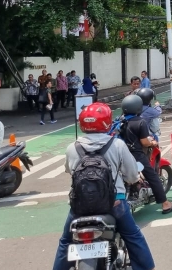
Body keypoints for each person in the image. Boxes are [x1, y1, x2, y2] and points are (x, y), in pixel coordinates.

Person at [52, 102, 156, 270]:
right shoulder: (117, 145)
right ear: (107, 122)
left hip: (80, 207)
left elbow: (69, 170)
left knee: (65, 240)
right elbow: (131, 175)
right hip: (115, 203)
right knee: (133, 235)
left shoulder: (72, 148)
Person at [118, 95, 172, 214]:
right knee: (153, 177)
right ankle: (165, 204)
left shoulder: (120, 121)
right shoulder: (140, 122)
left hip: (120, 155)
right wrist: (153, 142)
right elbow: (144, 142)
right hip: (136, 156)